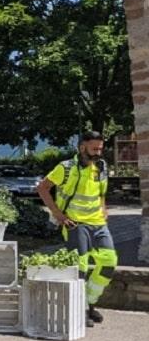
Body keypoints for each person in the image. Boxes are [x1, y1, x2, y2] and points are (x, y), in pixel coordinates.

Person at [36, 131, 117, 328]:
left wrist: (104, 209)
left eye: (100, 149)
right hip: (75, 224)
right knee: (80, 267)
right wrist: (58, 215)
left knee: (109, 263)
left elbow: (101, 193)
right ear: (82, 147)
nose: (98, 152)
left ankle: (90, 303)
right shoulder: (65, 168)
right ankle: (79, 310)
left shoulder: (102, 167)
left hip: (98, 224)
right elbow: (42, 188)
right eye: (94, 148)